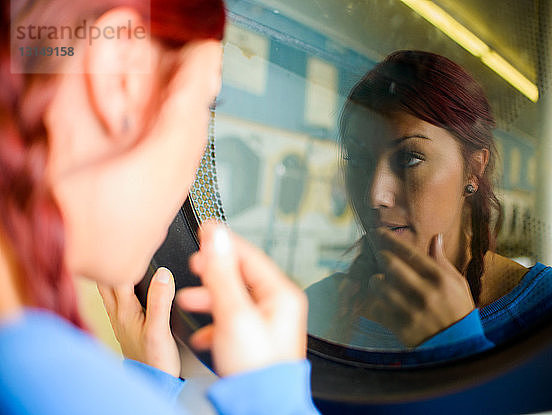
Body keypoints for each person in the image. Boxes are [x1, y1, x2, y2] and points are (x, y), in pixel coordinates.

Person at [0, 0, 318, 414]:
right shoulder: (40, 377)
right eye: (208, 103)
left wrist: (147, 385)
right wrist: (273, 399)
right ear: (120, 77)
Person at [306, 50, 552, 362]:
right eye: (358, 160)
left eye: (409, 158)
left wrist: (456, 344)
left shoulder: (547, 307)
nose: (375, 195)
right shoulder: (315, 309)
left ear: (474, 168)